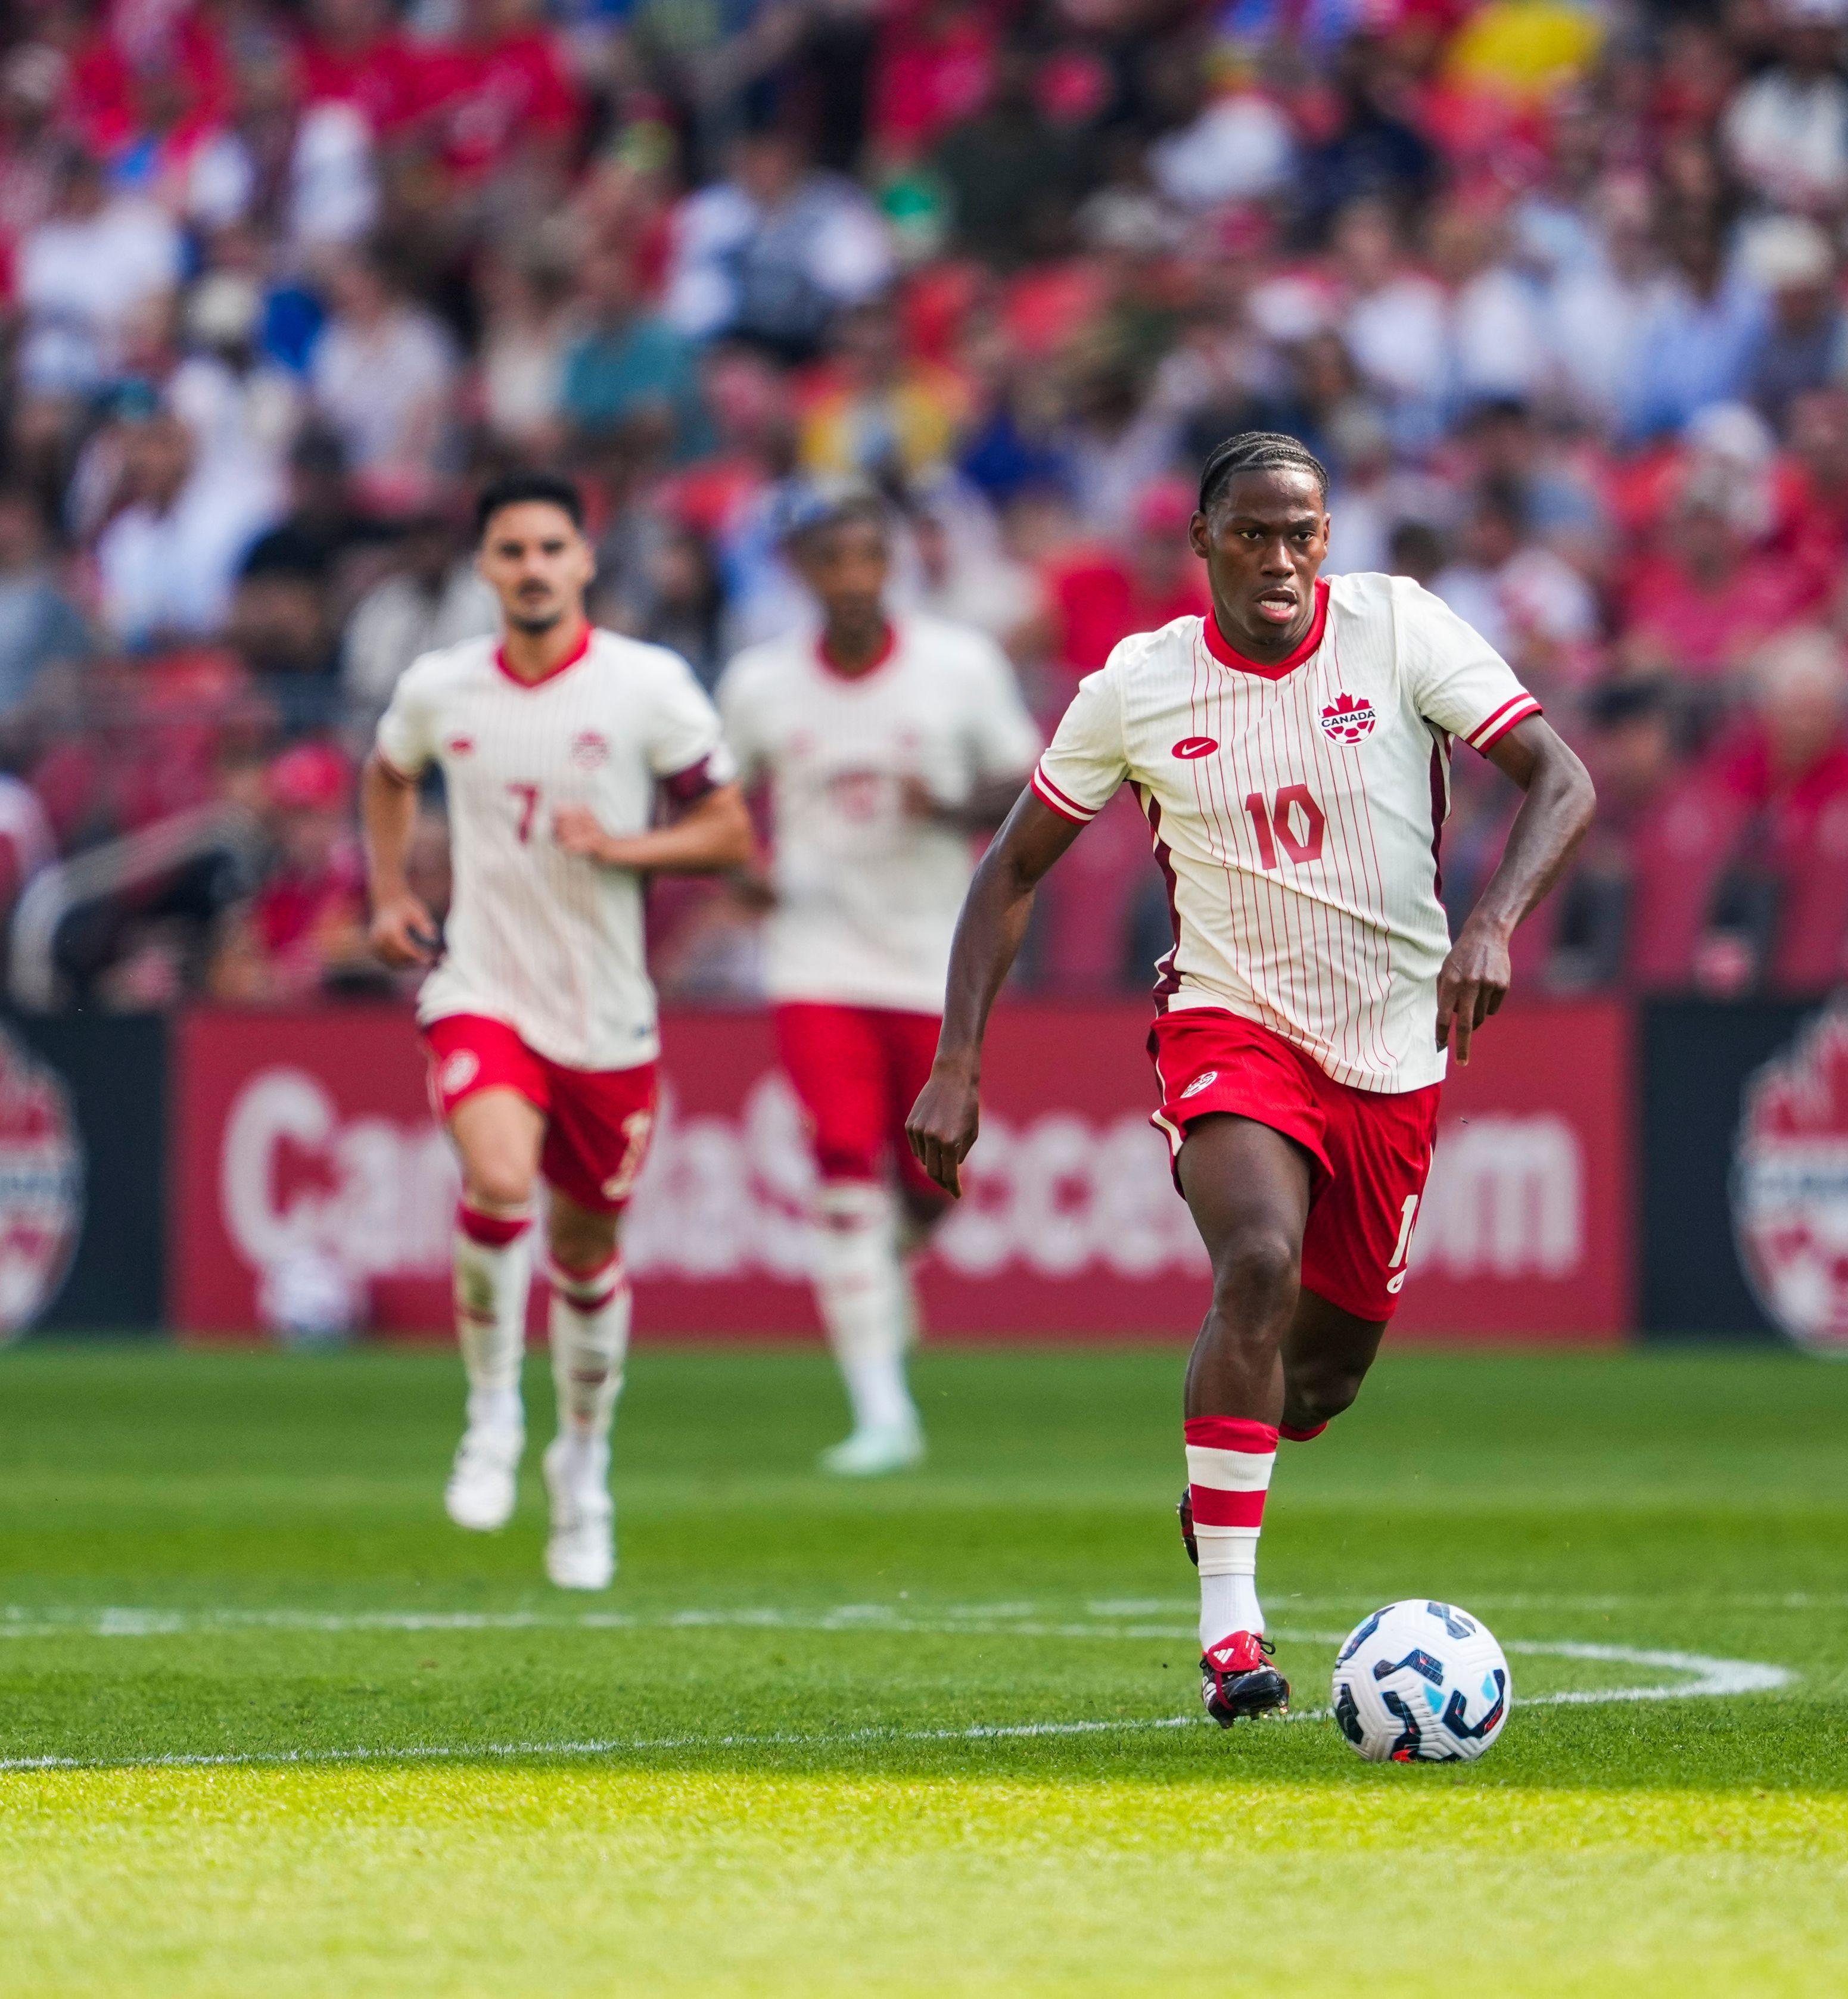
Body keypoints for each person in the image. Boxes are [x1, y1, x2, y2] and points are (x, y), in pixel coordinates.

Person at [905, 432, 1595, 1727]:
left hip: (1394, 1045)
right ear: (1204, 545)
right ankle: (1232, 1628)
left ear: (1327, 540)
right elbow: (1010, 871)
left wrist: (1495, 919)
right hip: (1232, 1022)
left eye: (1302, 533)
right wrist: (958, 1060)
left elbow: (1561, 779)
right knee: (1259, 1262)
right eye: (1253, 534)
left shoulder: (1399, 629)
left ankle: (1221, 1474)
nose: (1280, 558)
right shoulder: (1138, 685)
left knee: (1318, 1381)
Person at [361, 471, 753, 1590]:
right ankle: (489, 1411)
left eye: (549, 550)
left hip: (609, 1021)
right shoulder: (442, 688)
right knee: (495, 1181)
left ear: (583, 561)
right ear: (485, 568)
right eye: (510, 552)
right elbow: (388, 775)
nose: (531, 569)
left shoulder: (647, 688)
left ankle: (580, 1469)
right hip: (484, 988)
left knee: (584, 1256)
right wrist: (389, 895)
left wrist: (628, 847)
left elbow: (725, 831)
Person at [717, 493, 1038, 1474]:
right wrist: (743, 868)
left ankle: (895, 1254)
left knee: (933, 1181)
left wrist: (941, 805)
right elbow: (719, 804)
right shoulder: (762, 683)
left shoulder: (957, 668)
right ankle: (883, 1415)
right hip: (816, 958)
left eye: (868, 559)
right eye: (831, 562)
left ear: (891, 564)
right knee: (844, 1167)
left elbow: (1028, 791)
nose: (852, 580)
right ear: (803, 573)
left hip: (935, 960)